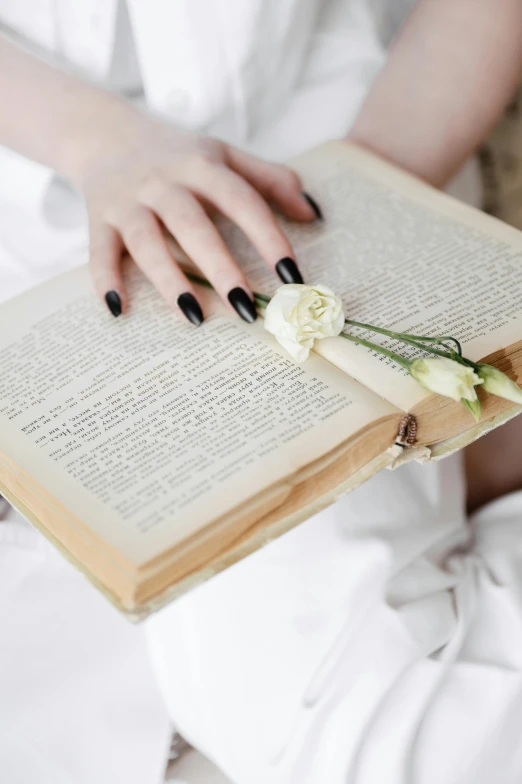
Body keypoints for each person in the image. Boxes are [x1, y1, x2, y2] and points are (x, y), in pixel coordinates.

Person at [1, 1, 522, 782]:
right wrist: (102, 141)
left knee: (363, 753)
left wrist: (362, 203)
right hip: (36, 230)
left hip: (334, 170)